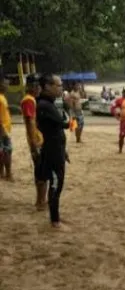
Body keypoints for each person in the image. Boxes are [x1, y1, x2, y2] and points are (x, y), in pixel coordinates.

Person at [37, 73, 71, 230]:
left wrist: (63, 151)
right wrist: (67, 107)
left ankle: (55, 216)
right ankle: (54, 221)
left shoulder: (48, 103)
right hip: (52, 151)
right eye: (58, 85)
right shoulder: (45, 104)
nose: (61, 88)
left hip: (56, 149)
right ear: (47, 86)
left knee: (57, 183)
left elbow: (58, 126)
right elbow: (65, 123)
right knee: (56, 184)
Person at [21, 74, 47, 209]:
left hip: (37, 139)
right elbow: (30, 123)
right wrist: (34, 145)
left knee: (40, 170)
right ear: (29, 87)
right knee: (41, 171)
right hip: (36, 141)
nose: (38, 89)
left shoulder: (31, 100)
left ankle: (41, 200)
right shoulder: (29, 100)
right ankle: (40, 201)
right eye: (35, 86)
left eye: (39, 86)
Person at [0, 78, 13, 181]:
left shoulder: (3, 97)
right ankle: (8, 174)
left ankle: (2, 173)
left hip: (5, 128)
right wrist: (3, 130)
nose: (7, 86)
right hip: (2, 129)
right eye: (5, 84)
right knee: (7, 151)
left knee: (3, 151)